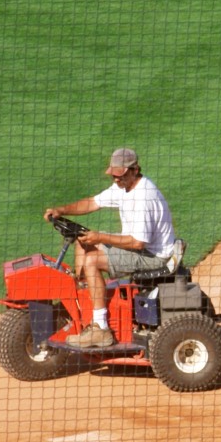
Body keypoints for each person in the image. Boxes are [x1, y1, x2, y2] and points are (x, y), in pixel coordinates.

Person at [43, 148, 183, 350]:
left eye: (120, 175)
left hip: (153, 256)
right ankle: (89, 308)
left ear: (135, 170)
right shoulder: (123, 186)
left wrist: (99, 237)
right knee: (83, 241)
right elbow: (92, 203)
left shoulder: (143, 197)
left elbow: (137, 243)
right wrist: (61, 210)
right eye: (114, 175)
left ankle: (101, 329)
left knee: (92, 260)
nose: (116, 180)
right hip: (141, 247)